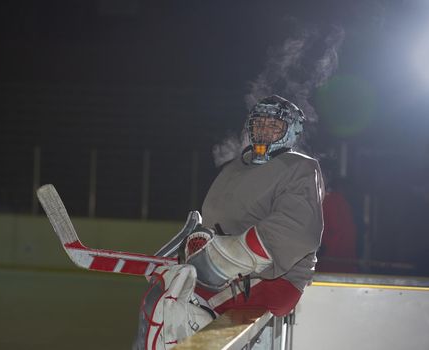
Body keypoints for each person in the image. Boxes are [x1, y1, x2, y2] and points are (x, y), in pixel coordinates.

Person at [134, 95, 324, 349]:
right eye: (259, 125)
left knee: (174, 305)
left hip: (274, 279)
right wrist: (190, 253)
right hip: (230, 278)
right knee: (159, 298)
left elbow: (297, 228)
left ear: (291, 131)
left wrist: (227, 258)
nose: (265, 131)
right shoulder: (234, 168)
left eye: (274, 126)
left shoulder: (299, 167)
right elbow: (215, 225)